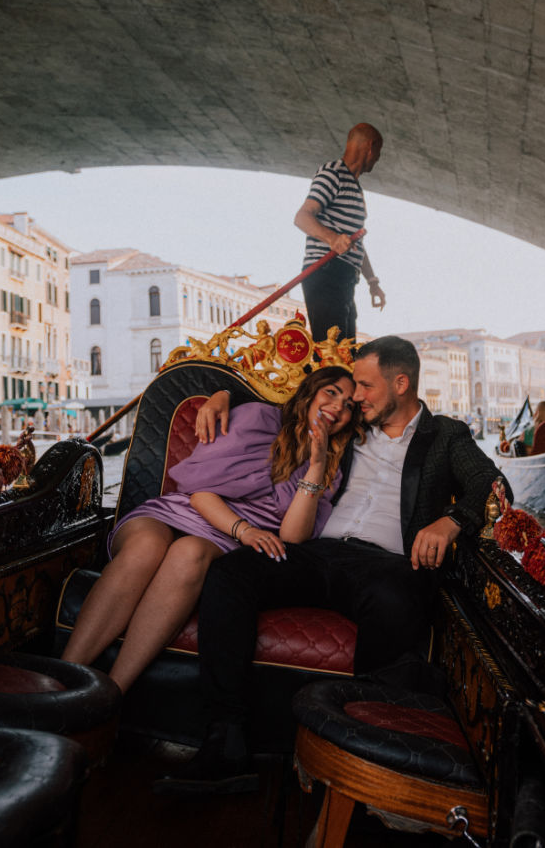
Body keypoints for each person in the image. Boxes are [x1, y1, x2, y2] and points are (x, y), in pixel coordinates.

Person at [156, 336, 501, 796]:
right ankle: (226, 739)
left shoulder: (446, 436)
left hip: (387, 565)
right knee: (232, 572)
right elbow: (290, 402)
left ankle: (364, 751)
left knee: (397, 597)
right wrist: (225, 394)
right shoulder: (355, 424)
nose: (355, 396)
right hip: (320, 552)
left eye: (364, 386)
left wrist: (451, 520)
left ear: (401, 383)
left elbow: (491, 484)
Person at [61, 366, 360, 695]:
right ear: (309, 392)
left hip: (221, 542)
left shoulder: (329, 469)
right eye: (331, 392)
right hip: (188, 510)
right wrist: (243, 530)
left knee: (188, 552)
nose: (338, 406)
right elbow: (199, 492)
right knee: (146, 547)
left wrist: (315, 464)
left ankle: (112, 693)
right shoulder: (258, 418)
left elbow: (291, 538)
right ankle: (63, 680)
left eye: (348, 404)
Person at [295, 123, 386, 342]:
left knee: (345, 350)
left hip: (344, 277)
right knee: (332, 352)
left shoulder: (355, 188)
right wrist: (333, 238)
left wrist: (372, 282)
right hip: (325, 272)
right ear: (370, 147)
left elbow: (356, 244)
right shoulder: (333, 174)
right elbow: (302, 217)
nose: (377, 160)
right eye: (379, 154)